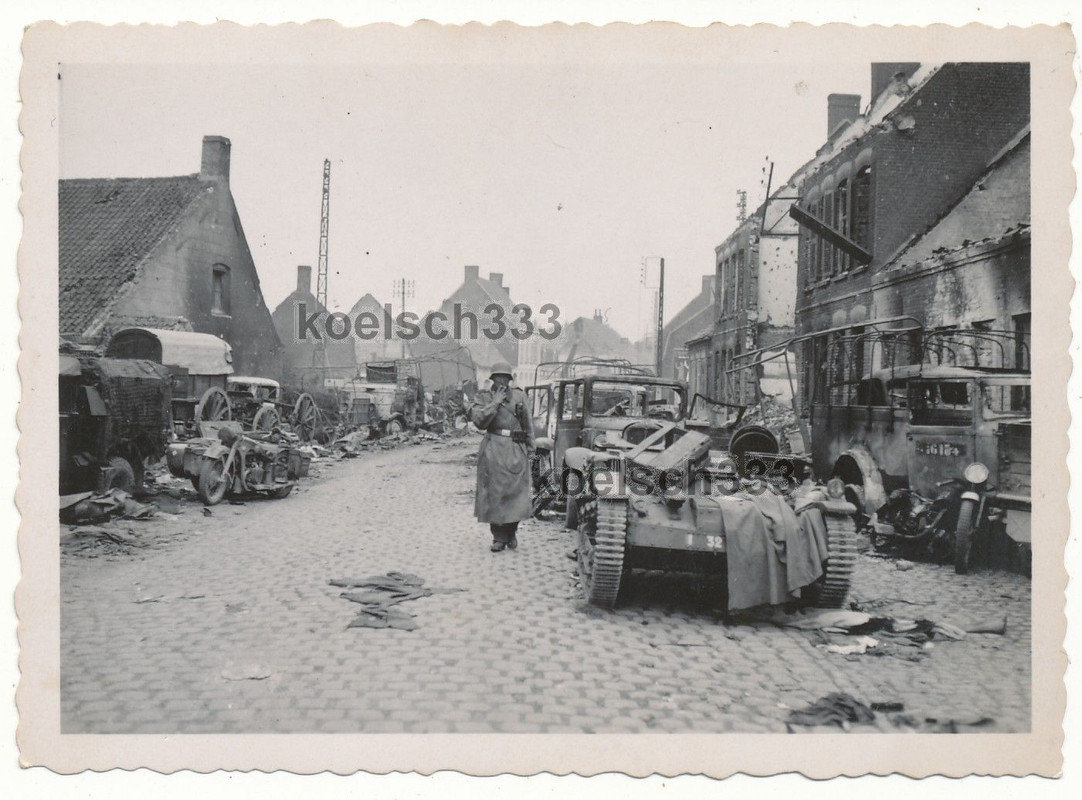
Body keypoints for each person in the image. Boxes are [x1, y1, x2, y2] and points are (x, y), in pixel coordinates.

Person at [469, 362, 535, 552]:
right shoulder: (484, 397)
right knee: (495, 495)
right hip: (493, 450)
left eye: (505, 378)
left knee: (516, 494)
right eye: (498, 378)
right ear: (492, 379)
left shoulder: (519, 396)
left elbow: (528, 424)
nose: (502, 382)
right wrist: (495, 403)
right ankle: (498, 537)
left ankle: (511, 531)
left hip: (516, 448)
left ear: (510, 380)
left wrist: (531, 449)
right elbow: (479, 422)